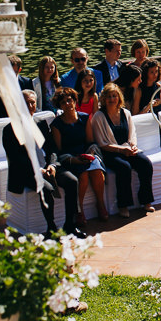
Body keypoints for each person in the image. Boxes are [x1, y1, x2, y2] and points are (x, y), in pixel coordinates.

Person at [2, 109, 85, 238]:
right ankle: (51, 229)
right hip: (26, 171)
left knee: (72, 181)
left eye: (32, 102)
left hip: (46, 166)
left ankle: (70, 225)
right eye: (26, 102)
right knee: (47, 188)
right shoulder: (9, 129)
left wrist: (52, 165)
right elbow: (15, 157)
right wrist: (38, 170)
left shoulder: (40, 123)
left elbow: (51, 148)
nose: (29, 106)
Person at [90, 83, 155, 218]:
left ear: (119, 98)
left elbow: (133, 134)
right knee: (124, 167)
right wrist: (122, 151)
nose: (112, 99)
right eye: (108, 97)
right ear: (104, 99)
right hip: (110, 153)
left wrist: (133, 146)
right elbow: (102, 143)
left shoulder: (126, 113)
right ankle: (123, 205)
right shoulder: (98, 117)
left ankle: (146, 201)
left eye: (114, 96)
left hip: (127, 149)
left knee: (145, 163)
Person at [49, 87, 108, 226]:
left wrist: (90, 155)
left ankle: (100, 204)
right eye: (63, 102)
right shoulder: (57, 124)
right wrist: (74, 159)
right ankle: (79, 210)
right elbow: (59, 150)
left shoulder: (84, 117)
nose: (67, 104)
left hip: (85, 153)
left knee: (97, 172)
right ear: (60, 106)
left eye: (69, 100)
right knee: (83, 176)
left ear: (75, 101)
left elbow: (90, 141)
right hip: (69, 157)